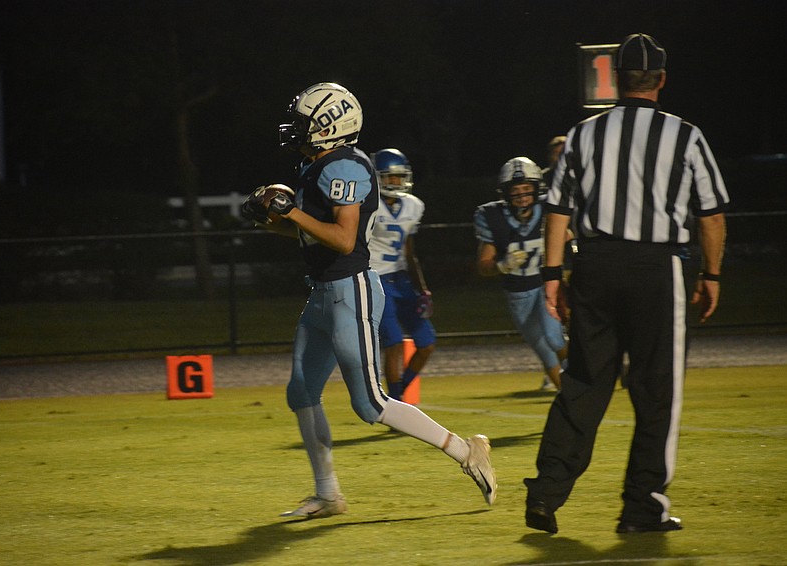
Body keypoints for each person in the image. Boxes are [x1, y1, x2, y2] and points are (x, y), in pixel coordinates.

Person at [240, 82, 496, 519]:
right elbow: (306, 231)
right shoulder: (315, 165)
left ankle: (466, 450)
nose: (296, 131)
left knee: (370, 404)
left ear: (330, 125)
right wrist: (271, 220)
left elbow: (342, 239)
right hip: (323, 292)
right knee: (301, 391)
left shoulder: (347, 167)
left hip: (350, 290)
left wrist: (291, 211)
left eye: (304, 123)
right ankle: (328, 494)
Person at [524, 33, 729, 534]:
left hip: (594, 266)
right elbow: (712, 215)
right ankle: (642, 506)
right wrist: (712, 274)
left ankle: (547, 493)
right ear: (660, 79)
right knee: (657, 391)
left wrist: (553, 276)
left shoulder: (583, 134)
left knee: (584, 383)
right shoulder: (685, 135)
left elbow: (557, 211)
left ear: (614, 78)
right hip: (657, 269)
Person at [473, 157, 568, 391]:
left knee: (554, 337)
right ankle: (569, 398)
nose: (522, 195)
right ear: (506, 192)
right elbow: (483, 265)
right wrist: (501, 266)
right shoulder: (491, 215)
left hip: (546, 284)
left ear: (537, 188)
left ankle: (583, 375)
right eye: (516, 190)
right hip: (518, 292)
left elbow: (570, 235)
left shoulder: (549, 209)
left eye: (527, 189)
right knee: (544, 350)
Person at [368, 148, 435, 401]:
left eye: (398, 177)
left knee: (427, 343)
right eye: (389, 177)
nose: (395, 182)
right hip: (375, 279)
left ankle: (398, 396)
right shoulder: (368, 205)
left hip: (402, 281)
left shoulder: (414, 206)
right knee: (393, 342)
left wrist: (423, 289)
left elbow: (409, 252)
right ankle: (396, 403)